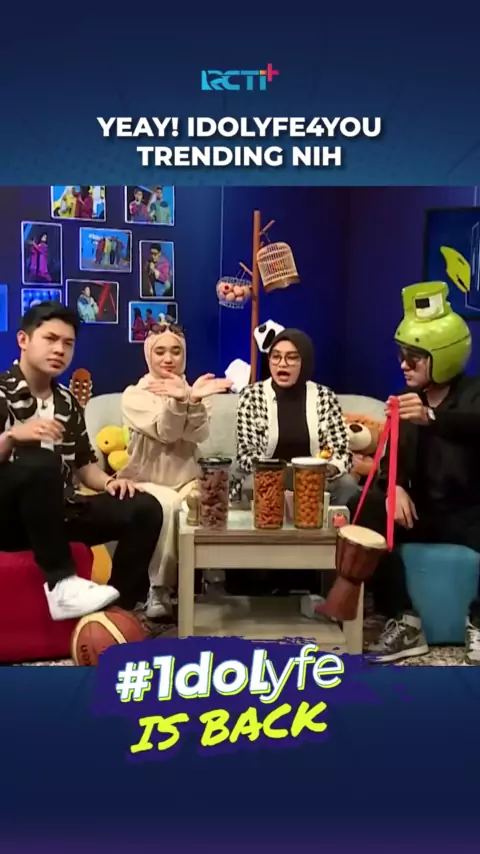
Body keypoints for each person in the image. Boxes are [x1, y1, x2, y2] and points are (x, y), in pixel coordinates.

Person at [0, 302, 164, 625]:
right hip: (7, 516)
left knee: (145, 507)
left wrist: (110, 482)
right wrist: (11, 436)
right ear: (23, 340)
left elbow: (84, 464)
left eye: (68, 343)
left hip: (56, 512)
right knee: (40, 461)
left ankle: (116, 612)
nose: (59, 350)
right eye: (50, 339)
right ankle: (61, 582)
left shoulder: (66, 401)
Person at [349, 281, 480, 666]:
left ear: (443, 357)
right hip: (422, 512)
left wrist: (432, 418)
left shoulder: (473, 394)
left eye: (414, 358)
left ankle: (479, 623)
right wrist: (395, 488)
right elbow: (390, 461)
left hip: (469, 513)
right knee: (365, 506)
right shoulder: (408, 404)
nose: (403, 365)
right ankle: (406, 621)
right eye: (401, 355)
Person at [119, 322, 232, 618]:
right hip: (146, 481)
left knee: (209, 499)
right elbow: (167, 433)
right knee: (169, 505)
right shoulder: (134, 396)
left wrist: (192, 399)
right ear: (148, 355)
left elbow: (197, 434)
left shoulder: (197, 392)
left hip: (187, 477)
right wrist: (181, 401)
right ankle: (159, 589)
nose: (168, 359)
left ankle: (213, 581)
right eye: (160, 352)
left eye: (176, 351)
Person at [236, 328, 359, 505]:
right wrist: (273, 473)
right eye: (276, 357)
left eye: (292, 357)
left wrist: (329, 469)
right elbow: (246, 452)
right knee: (251, 485)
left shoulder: (324, 396)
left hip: (315, 478)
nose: (282, 364)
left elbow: (340, 450)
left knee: (347, 485)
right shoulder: (252, 396)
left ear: (305, 361)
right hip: (266, 476)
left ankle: (330, 523)